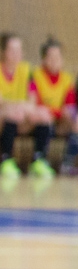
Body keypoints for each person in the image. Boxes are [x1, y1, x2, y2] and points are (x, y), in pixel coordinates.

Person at [27, 38, 77, 178]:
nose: (55, 60)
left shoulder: (66, 79)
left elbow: (71, 106)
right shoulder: (35, 75)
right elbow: (35, 104)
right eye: (51, 57)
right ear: (43, 59)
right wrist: (59, 111)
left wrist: (68, 113)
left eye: (58, 57)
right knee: (43, 115)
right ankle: (38, 160)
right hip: (38, 120)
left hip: (58, 121)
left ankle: (68, 162)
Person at [0, 33, 46, 180]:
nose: (17, 54)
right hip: (4, 116)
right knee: (12, 112)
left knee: (42, 114)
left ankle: (38, 160)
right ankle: (6, 160)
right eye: (12, 50)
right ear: (3, 52)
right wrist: (18, 106)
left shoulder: (26, 70)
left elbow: (32, 100)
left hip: (19, 116)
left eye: (19, 50)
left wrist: (23, 108)